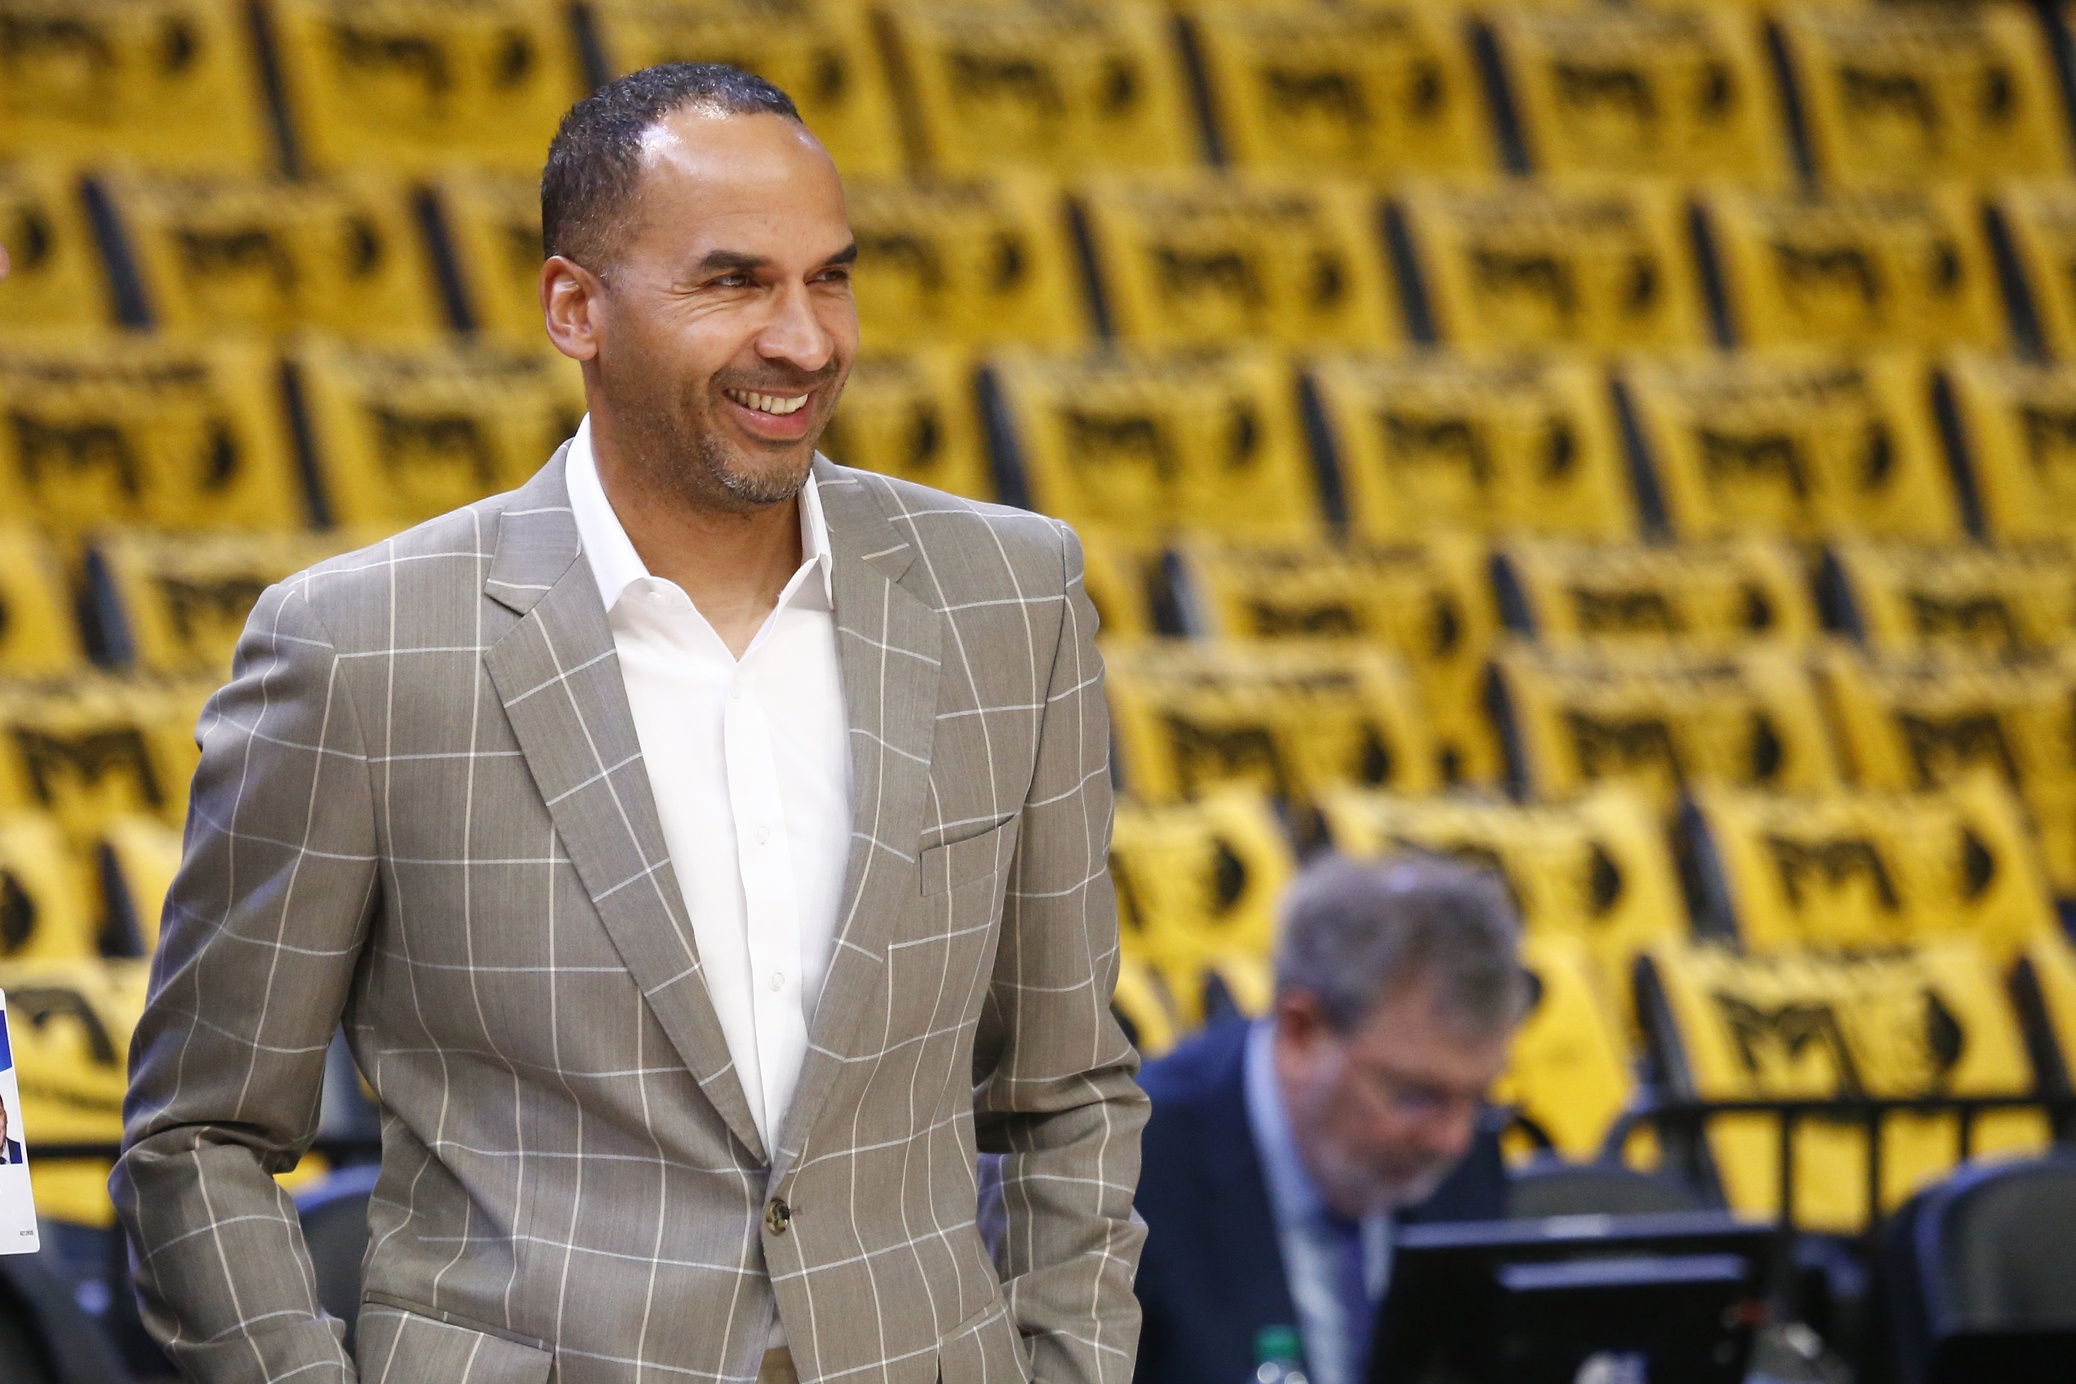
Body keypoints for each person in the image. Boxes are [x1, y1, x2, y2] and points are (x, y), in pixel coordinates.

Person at [114, 64, 1145, 1384]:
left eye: (829, 276)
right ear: (574, 308)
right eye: (735, 282)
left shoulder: (1014, 595)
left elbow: (1069, 1092)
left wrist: (1068, 1367)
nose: (806, 339)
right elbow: (198, 1137)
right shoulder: (359, 648)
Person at [1131, 855, 1528, 1384]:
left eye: (1478, 1098)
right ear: (1302, 1032)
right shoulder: (1129, 1166)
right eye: (1416, 1096)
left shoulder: (1465, 1149)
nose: (1454, 1139)